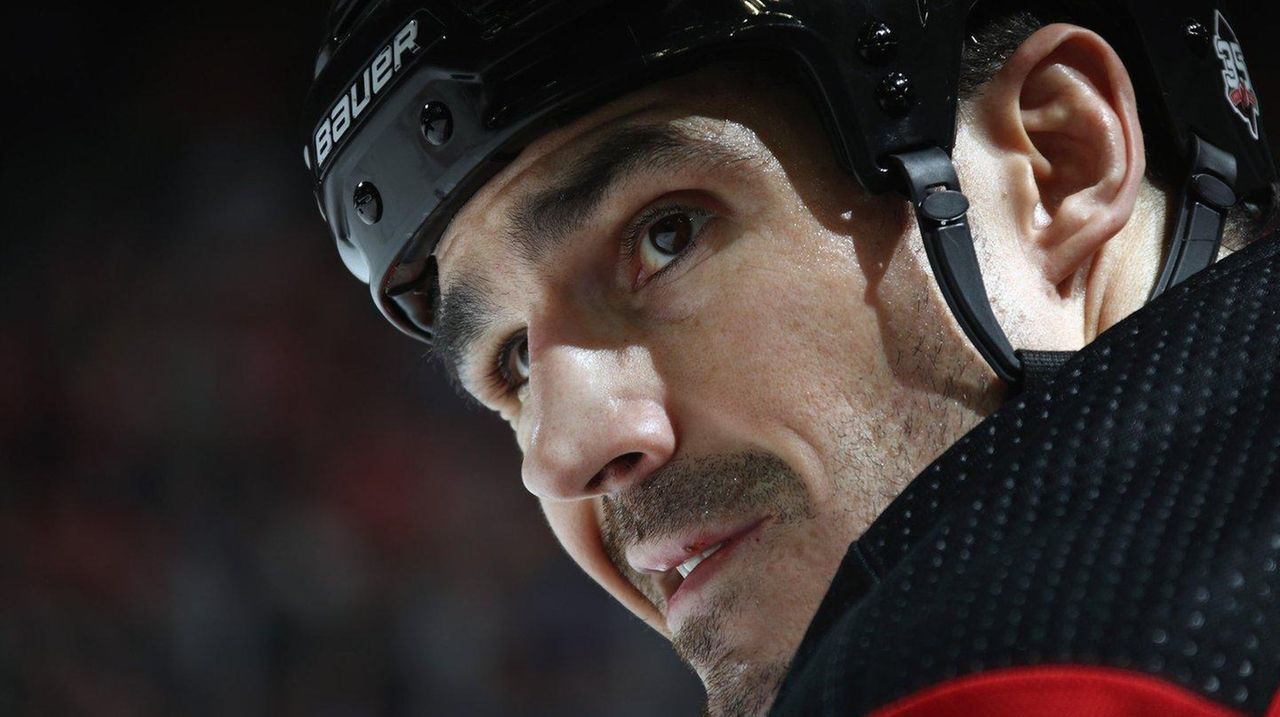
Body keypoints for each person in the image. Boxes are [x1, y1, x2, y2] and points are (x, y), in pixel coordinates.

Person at [302, 1, 1280, 715]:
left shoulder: (1011, 674)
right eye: (513, 363)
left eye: (664, 235)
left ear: (1055, 166)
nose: (560, 453)